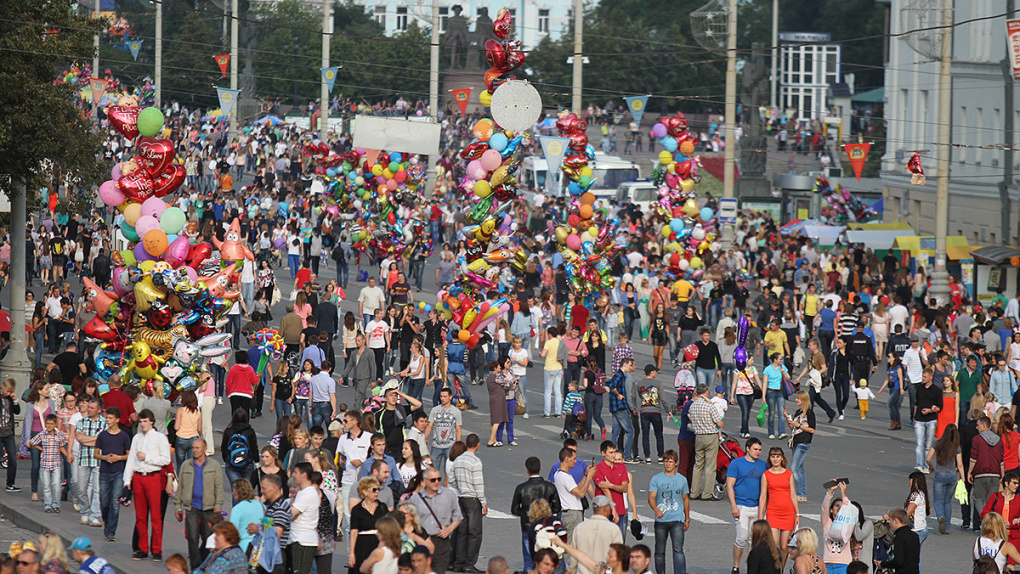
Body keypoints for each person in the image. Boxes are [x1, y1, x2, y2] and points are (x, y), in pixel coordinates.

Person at [122, 409, 171, 559]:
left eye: (145, 421)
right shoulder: (136, 438)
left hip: (153, 477)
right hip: (138, 477)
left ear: (151, 422)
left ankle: (157, 550)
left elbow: (166, 459)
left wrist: (147, 457)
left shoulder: (160, 437)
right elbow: (131, 460)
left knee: (156, 516)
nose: (143, 424)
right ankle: (142, 548)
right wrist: (127, 481)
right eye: (141, 421)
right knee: (140, 516)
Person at [175, 437, 226, 570]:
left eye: (197, 448)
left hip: (208, 508)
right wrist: (178, 506)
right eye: (193, 448)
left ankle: (204, 563)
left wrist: (218, 506)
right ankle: (195, 567)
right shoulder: (186, 465)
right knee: (192, 538)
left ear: (204, 448)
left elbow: (218, 487)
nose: (194, 450)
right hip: (191, 507)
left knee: (207, 538)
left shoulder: (214, 465)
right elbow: (180, 488)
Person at [409, 467, 463, 574]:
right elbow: (410, 521)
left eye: (439, 479)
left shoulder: (449, 495)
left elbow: (458, 517)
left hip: (441, 542)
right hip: (422, 540)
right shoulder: (415, 499)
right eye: (433, 480)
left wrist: (449, 529)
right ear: (424, 482)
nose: (437, 482)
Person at [511, 456, 561, 571]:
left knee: (529, 560)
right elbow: (557, 507)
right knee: (547, 559)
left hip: (527, 526)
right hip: (546, 526)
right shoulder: (549, 487)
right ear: (540, 468)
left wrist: (526, 514)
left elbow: (514, 509)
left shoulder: (521, 488)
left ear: (527, 470)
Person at [727, 437, 767, 572]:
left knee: (753, 541)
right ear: (747, 449)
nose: (758, 452)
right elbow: (729, 485)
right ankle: (736, 567)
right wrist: (733, 506)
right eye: (755, 449)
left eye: (760, 450)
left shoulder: (763, 465)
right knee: (741, 538)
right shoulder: (736, 464)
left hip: (757, 506)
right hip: (741, 506)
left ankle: (752, 568)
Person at [448, 434, 487, 573]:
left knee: (462, 531)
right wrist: (483, 502)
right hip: (472, 499)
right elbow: (478, 484)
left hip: (461, 498)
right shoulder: (475, 461)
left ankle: (458, 562)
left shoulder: (458, 460)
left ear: (466, 443)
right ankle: (469, 563)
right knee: (475, 533)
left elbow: (451, 479)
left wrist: (461, 486)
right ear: (477, 445)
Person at [648, 450, 690, 574]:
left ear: (675, 463)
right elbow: (651, 497)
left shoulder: (682, 480)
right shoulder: (656, 479)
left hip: (677, 519)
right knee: (659, 551)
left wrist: (687, 518)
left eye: (670, 462)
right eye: (666, 461)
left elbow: (685, 499)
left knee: (678, 550)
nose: (668, 464)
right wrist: (656, 509)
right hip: (661, 520)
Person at [759, 447, 799, 565]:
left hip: (788, 513)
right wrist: (761, 516)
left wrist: (798, 514)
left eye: (777, 456)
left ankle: (781, 568)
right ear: (769, 458)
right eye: (773, 456)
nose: (775, 459)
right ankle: (774, 568)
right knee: (774, 544)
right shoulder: (766, 475)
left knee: (784, 546)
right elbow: (763, 496)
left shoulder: (788, 474)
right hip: (773, 512)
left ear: (782, 458)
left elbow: (793, 494)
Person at [567, 496, 624, 574]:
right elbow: (619, 557)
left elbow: (574, 556)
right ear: (605, 508)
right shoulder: (613, 529)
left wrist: (573, 571)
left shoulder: (579, 528)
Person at [926, 423, 964, 534]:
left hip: (940, 474)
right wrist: (963, 478)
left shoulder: (937, 443)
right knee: (947, 501)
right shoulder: (956, 446)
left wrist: (931, 466)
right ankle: (947, 527)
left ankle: (940, 517)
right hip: (952, 474)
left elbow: (928, 458)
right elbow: (960, 464)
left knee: (938, 500)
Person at [27, 413, 68, 514]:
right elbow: (31, 442)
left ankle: (56, 504)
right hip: (45, 464)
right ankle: (47, 505)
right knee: (46, 485)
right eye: (47, 423)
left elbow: (62, 446)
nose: (49, 426)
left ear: (55, 424)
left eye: (51, 424)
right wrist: (41, 449)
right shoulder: (42, 434)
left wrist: (68, 456)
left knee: (56, 484)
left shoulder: (59, 435)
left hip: (56, 463)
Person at [969, 416, 1005, 531]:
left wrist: (969, 472)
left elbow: (973, 458)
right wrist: (1002, 475)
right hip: (995, 473)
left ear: (984, 425)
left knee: (978, 499)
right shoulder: (999, 440)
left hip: (981, 473)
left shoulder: (977, 439)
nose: (977, 427)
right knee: (991, 501)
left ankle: (986, 521)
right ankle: (991, 523)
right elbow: (1001, 460)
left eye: (978, 425)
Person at [688, 383, 723, 500]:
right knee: (710, 466)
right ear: (706, 392)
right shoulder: (710, 406)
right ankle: (707, 493)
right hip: (710, 435)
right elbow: (719, 423)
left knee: (698, 465)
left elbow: (691, 419)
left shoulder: (693, 406)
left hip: (698, 436)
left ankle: (694, 492)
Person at [553, 446, 597, 539]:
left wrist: (585, 475)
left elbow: (577, 488)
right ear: (567, 459)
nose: (575, 461)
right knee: (571, 544)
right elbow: (581, 494)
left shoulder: (558, 474)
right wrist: (589, 478)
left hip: (569, 512)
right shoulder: (565, 476)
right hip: (572, 513)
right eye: (574, 458)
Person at [75, 397, 105, 528]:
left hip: (98, 459)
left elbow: (103, 441)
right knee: (81, 488)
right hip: (84, 458)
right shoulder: (81, 422)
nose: (89, 410)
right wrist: (95, 440)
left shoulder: (105, 423)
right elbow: (79, 438)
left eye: (92, 408)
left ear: (99, 410)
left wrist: (89, 439)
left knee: (97, 490)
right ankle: (85, 510)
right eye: (89, 407)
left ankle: (94, 515)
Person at [426, 388, 462, 479]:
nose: (442, 398)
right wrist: (424, 438)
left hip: (450, 445)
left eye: (445, 396)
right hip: (436, 445)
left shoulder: (456, 411)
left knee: (449, 472)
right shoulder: (434, 410)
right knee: (432, 470)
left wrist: (458, 445)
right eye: (441, 396)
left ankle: (447, 491)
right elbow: (430, 426)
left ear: (450, 397)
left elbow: (458, 429)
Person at [786, 390, 816, 502]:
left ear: (803, 400)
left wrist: (798, 425)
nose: (796, 400)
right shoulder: (798, 412)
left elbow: (812, 430)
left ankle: (799, 492)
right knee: (800, 469)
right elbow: (794, 429)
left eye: (798, 398)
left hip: (804, 442)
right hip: (796, 441)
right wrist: (789, 421)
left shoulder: (809, 413)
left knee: (794, 468)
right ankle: (802, 493)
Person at [220, 408, 258, 490]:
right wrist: (256, 461)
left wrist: (226, 459)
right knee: (246, 490)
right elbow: (254, 448)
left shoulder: (228, 431)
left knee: (236, 490)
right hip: (247, 463)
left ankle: (236, 503)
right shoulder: (250, 431)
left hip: (232, 463)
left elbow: (223, 447)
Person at [914, 368, 943, 473]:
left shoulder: (936, 390)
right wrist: (914, 417)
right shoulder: (919, 388)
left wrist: (930, 410)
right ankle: (919, 465)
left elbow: (940, 407)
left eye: (925, 377)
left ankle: (926, 466)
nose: (923, 378)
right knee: (919, 444)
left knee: (928, 445)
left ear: (931, 377)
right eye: (922, 376)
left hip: (931, 420)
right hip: (919, 419)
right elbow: (916, 403)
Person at [820, 481, 851, 574]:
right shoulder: (827, 523)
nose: (839, 508)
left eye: (842, 507)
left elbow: (849, 509)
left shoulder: (847, 523)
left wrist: (843, 493)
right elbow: (824, 508)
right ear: (831, 509)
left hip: (843, 564)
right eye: (837, 506)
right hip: (827, 564)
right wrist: (830, 492)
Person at [876, 508, 920, 574]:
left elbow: (898, 561)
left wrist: (882, 564)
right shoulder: (914, 535)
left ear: (896, 521)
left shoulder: (899, 537)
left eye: (890, 521)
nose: (890, 524)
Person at [340, 333, 377, 408]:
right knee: (362, 397)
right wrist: (343, 376)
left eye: (359, 341)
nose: (357, 342)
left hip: (364, 378)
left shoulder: (369, 352)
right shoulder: (354, 352)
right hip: (356, 378)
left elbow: (373, 366)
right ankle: (369, 412)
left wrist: (373, 380)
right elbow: (350, 365)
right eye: (356, 341)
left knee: (358, 397)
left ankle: (355, 416)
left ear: (364, 341)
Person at [228, 479, 265, 553]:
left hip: (243, 548)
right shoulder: (262, 506)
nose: (233, 493)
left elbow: (232, 531)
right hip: (260, 547)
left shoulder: (237, 508)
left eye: (234, 490)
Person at [0, 378, 21, 492]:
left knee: (12, 458)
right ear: (3, 386)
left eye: (10, 391)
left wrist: (15, 400)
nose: (8, 393)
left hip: (8, 432)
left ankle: (10, 483)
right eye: (7, 391)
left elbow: (17, 411)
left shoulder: (10, 399)